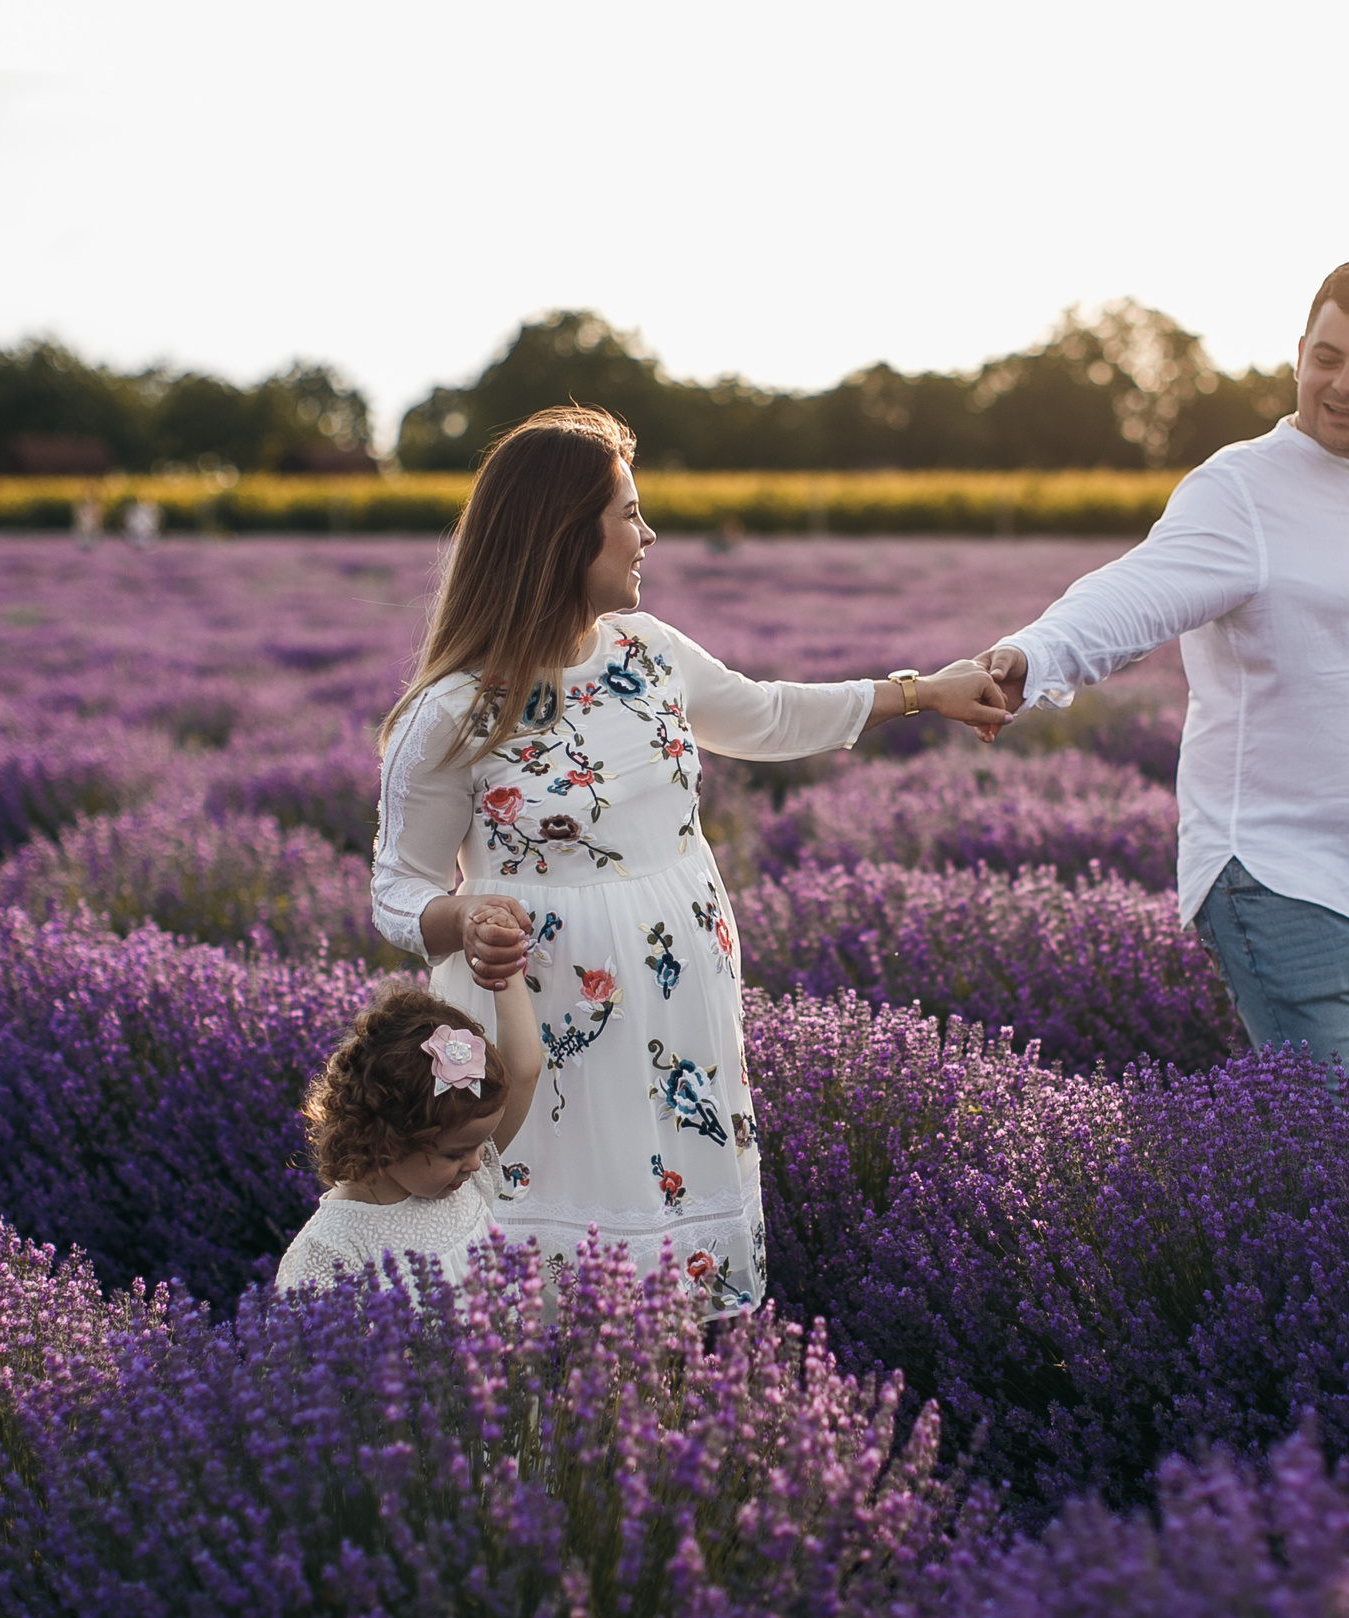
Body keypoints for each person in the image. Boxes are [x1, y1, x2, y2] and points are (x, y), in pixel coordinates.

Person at [370, 405, 1008, 1316]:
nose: (649, 533)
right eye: (629, 513)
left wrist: (923, 693)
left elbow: (772, 715)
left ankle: (659, 1441)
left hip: (679, 997)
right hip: (543, 1025)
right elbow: (398, 886)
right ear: (562, 535)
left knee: (667, 1292)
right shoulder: (455, 710)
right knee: (543, 1295)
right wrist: (458, 918)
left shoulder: (649, 653)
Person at [978, 258, 1349, 1097]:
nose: (1342, 384)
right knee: (1346, 1151)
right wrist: (1031, 656)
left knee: (1346, 1161)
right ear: (1299, 352)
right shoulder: (1241, 488)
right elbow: (1136, 591)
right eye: (1327, 357)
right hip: (1279, 872)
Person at [275, 925, 543, 1297]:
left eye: (479, 1145)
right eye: (456, 1153)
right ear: (387, 1137)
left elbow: (525, 1071)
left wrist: (505, 963)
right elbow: (312, 1352)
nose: (477, 1163)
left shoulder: (459, 1183)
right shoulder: (332, 1248)